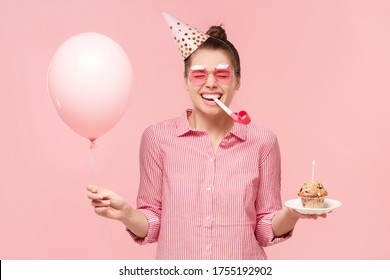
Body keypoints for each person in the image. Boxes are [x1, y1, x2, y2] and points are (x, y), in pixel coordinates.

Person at [86, 13, 326, 260]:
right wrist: (126, 213)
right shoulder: (157, 138)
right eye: (199, 75)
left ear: (237, 81)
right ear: (185, 82)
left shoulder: (262, 141)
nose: (210, 83)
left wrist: (294, 212)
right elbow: (154, 224)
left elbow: (265, 229)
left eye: (222, 75)